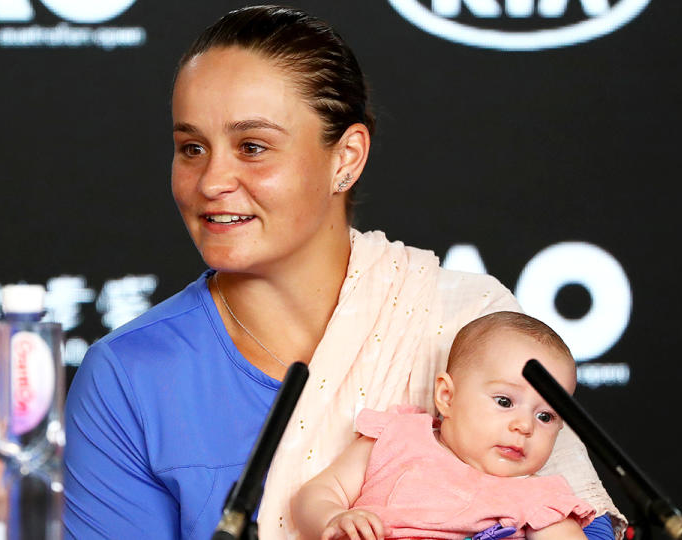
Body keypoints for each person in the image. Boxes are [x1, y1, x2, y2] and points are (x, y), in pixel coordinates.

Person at [63, 5, 623, 540]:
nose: (211, 181)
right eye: (191, 148)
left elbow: (572, 517)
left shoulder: (466, 323)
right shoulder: (128, 377)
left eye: (252, 146)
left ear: (347, 158)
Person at [292, 311, 596, 540]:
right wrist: (333, 518)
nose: (524, 426)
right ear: (446, 396)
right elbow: (317, 492)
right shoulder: (397, 437)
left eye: (546, 416)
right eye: (504, 401)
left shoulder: (539, 498)